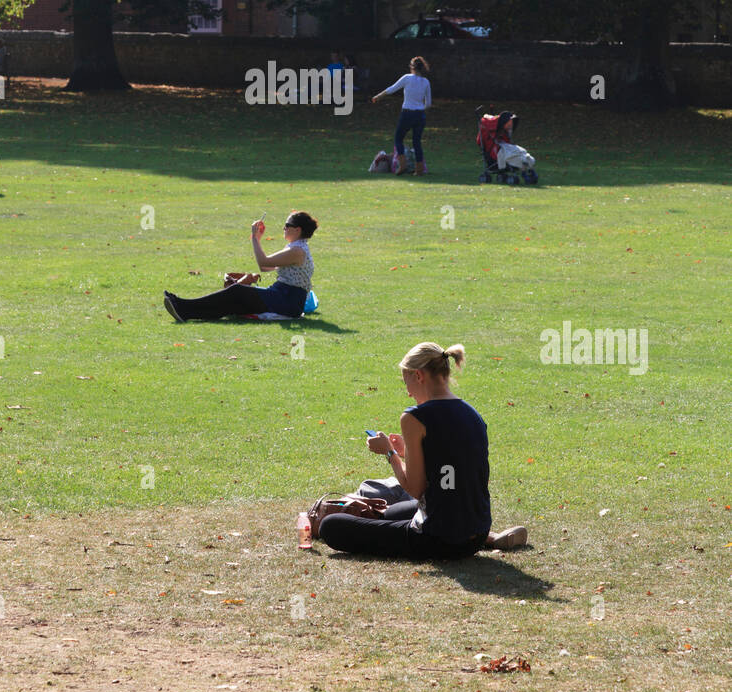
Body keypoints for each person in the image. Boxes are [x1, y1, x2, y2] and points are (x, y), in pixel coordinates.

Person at [318, 341, 527, 560]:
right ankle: (489, 538)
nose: (408, 393)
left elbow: (415, 489)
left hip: (438, 538)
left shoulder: (415, 417)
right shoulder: (473, 414)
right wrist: (406, 452)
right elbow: (452, 468)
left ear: (418, 376)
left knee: (330, 526)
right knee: (389, 513)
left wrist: (390, 453)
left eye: (405, 381)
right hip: (476, 531)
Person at [164, 211, 317, 322]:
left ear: (298, 230)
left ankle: (183, 305)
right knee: (235, 305)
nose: (284, 228)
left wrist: (255, 239)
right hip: (282, 295)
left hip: (287, 300)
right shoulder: (296, 248)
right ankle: (185, 312)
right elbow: (266, 268)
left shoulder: (297, 251)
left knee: (237, 291)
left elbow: (263, 262)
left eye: (287, 225)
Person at [371, 55, 431, 175]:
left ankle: (402, 165)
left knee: (398, 138)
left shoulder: (407, 78)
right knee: (416, 142)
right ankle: (419, 169)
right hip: (419, 114)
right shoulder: (426, 82)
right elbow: (428, 103)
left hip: (407, 113)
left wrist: (378, 96)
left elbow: (392, 89)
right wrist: (420, 109)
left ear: (412, 67)